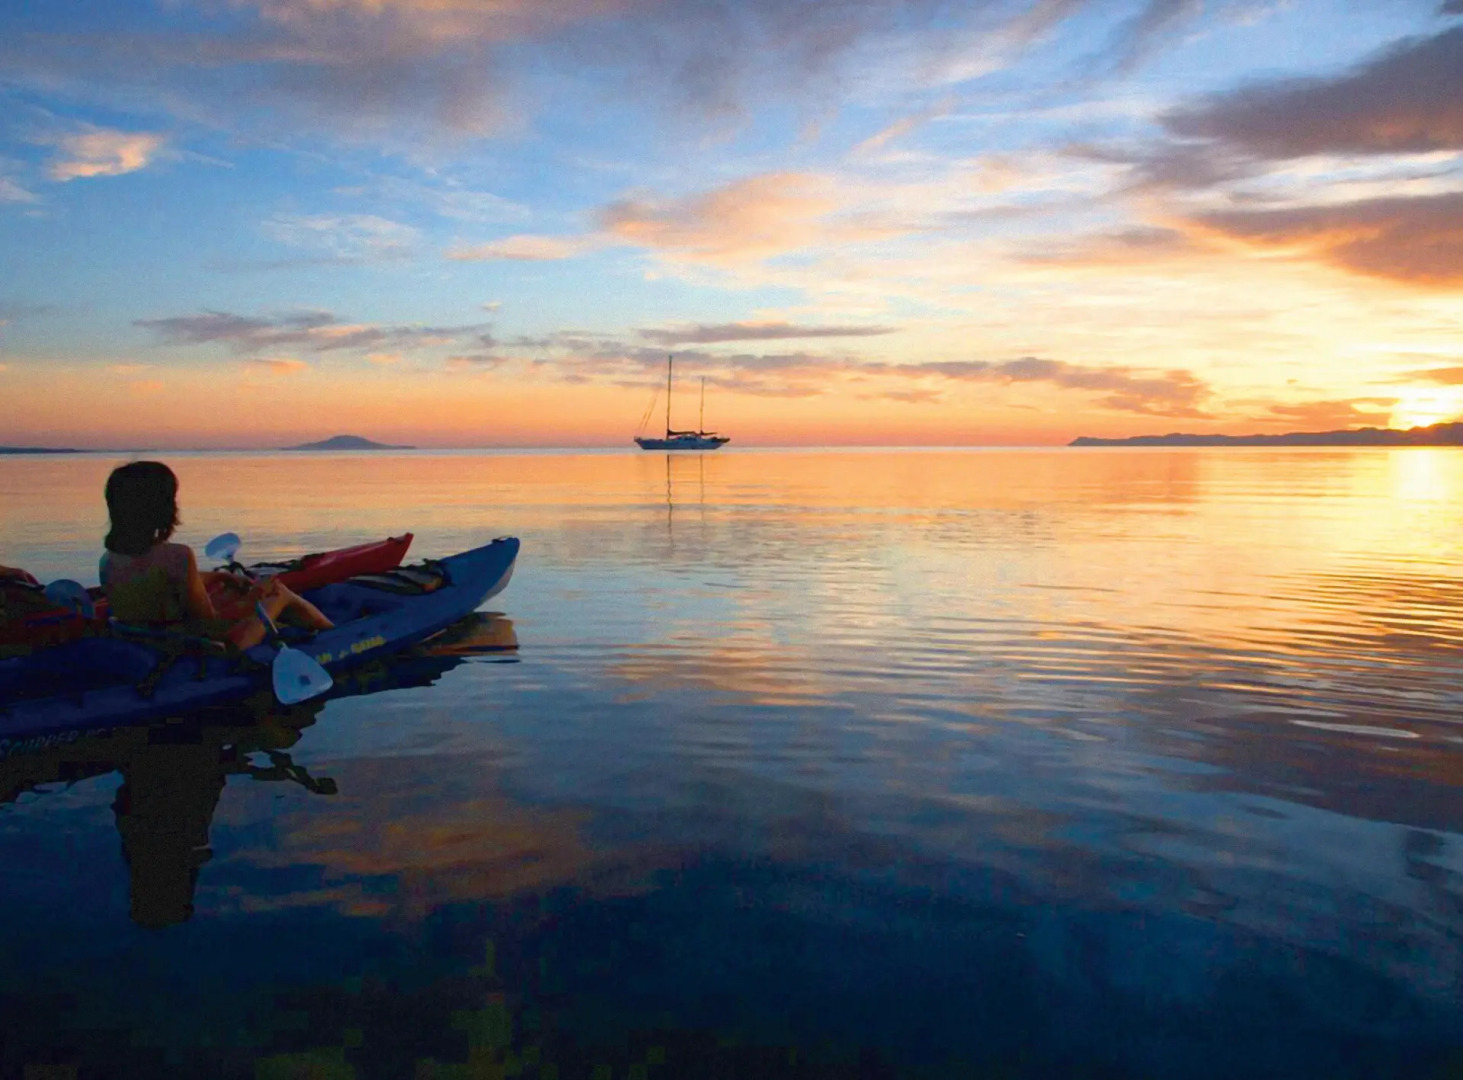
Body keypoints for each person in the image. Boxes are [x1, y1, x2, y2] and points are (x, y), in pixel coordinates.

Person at [100, 461, 333, 650]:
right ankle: (335, 636)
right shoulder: (178, 556)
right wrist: (254, 597)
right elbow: (210, 625)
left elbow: (155, 582)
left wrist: (221, 578)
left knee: (228, 589)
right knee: (278, 592)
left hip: (147, 643)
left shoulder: (109, 560)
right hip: (203, 648)